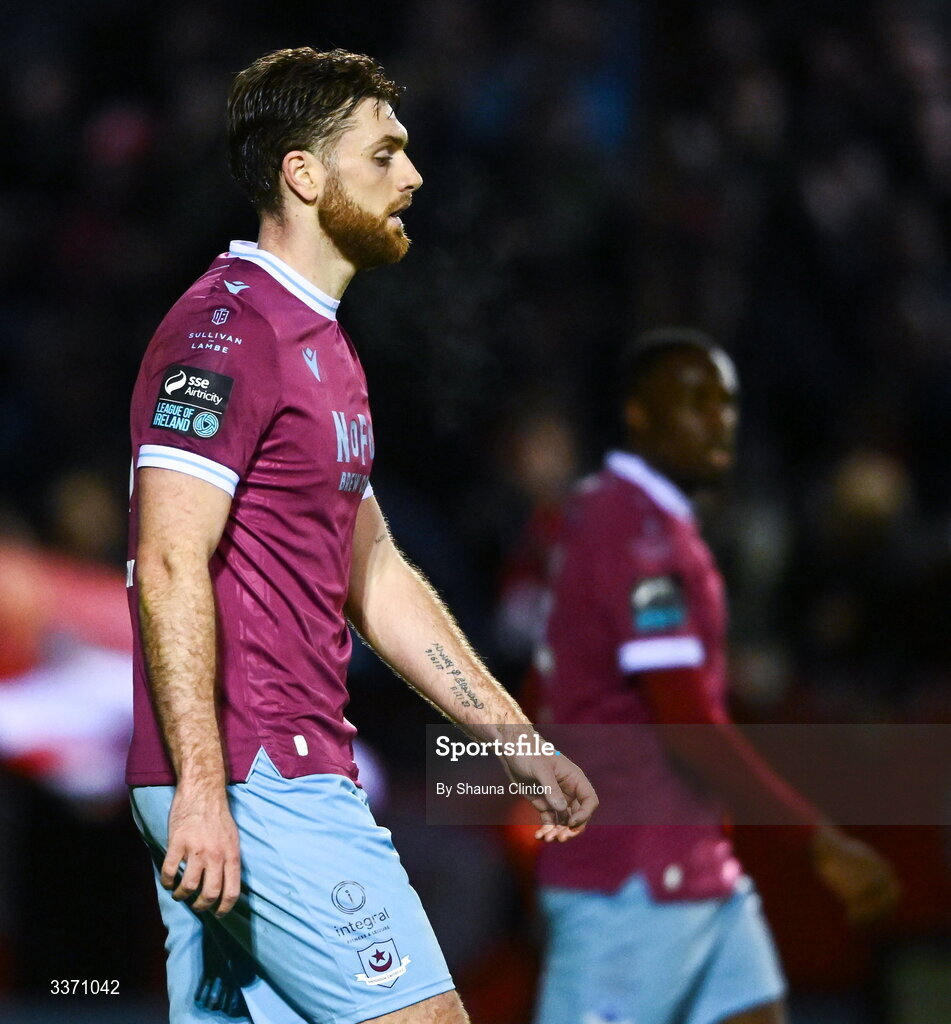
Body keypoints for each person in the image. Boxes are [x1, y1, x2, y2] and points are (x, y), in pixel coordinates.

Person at [126, 47, 597, 1024]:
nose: (412, 177)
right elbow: (169, 559)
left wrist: (514, 738)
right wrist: (207, 793)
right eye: (383, 154)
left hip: (279, 774)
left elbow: (374, 573)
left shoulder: (322, 347)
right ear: (303, 173)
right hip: (259, 779)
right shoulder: (224, 332)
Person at [533, 330, 899, 1024]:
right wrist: (815, 838)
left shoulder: (639, 522)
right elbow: (685, 721)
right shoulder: (638, 537)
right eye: (692, 402)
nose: (718, 420)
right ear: (638, 414)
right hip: (634, 876)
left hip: (690, 862)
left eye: (724, 402)